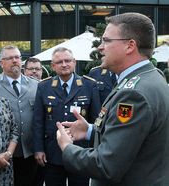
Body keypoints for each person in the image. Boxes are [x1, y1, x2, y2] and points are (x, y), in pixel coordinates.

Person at [56, 13, 169, 186]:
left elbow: (106, 165)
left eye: (107, 41)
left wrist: (67, 148)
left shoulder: (134, 94)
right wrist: (91, 130)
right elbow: (135, 138)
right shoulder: (151, 77)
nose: (100, 47)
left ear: (130, 46)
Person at [33, 47, 100, 186]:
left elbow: (96, 120)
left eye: (67, 60)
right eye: (59, 62)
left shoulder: (89, 85)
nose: (64, 64)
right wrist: (38, 149)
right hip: (52, 152)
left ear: (74, 62)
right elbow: (38, 121)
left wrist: (96, 149)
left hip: (81, 151)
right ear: (53, 66)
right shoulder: (44, 86)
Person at [0, 45, 39, 186]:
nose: (14, 61)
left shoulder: (35, 85)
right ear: (1, 63)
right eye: (10, 58)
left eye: (17, 57)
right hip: (3, 151)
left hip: (30, 151)